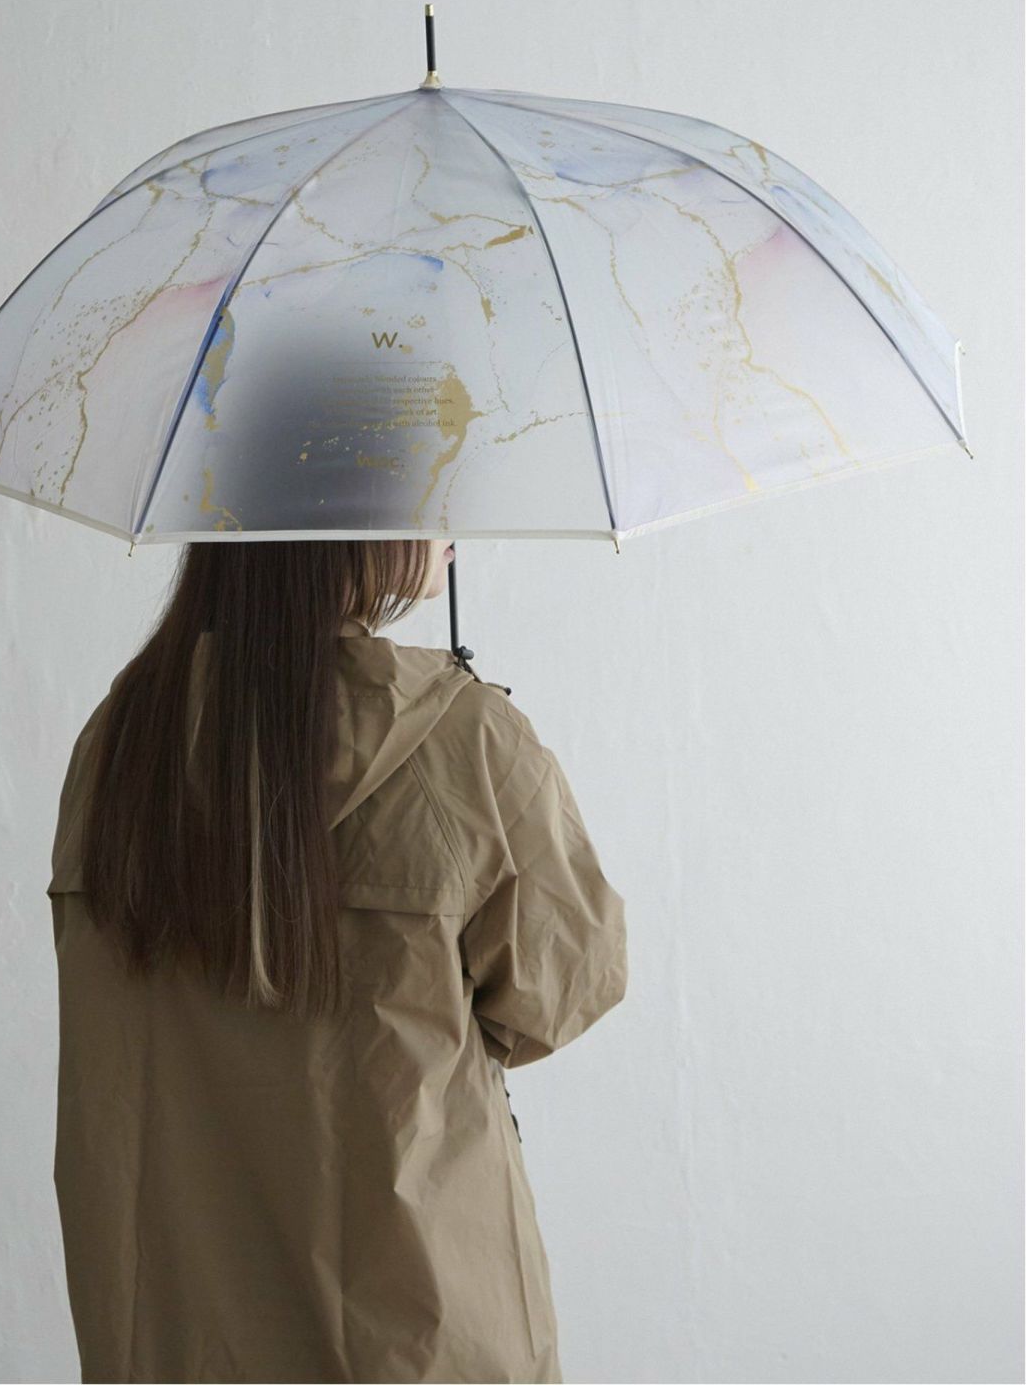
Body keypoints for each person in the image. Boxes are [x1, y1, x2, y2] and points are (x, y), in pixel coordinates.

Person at [47, 537, 628, 1384]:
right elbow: (563, 991)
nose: (452, 527)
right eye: (425, 490)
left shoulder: (117, 745)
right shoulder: (466, 736)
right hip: (418, 1328)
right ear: (355, 523)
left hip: (178, 1332)